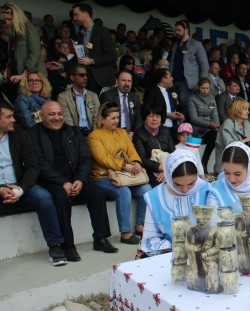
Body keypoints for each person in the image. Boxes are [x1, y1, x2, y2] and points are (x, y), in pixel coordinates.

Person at [29, 101, 117, 257]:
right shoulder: (33, 134)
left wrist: (80, 180)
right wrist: (63, 182)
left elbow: (85, 158)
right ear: (41, 116)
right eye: (51, 114)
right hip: (51, 182)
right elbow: (39, 164)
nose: (57, 118)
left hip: (76, 179)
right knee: (60, 197)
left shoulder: (73, 132)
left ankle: (100, 238)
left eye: (59, 114)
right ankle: (67, 245)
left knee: (96, 192)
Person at [0, 102, 72, 265]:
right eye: (9, 117)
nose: (13, 120)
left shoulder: (19, 134)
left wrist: (19, 189)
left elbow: (33, 167)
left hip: (19, 187)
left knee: (44, 197)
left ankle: (55, 246)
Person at [87, 102, 152, 244]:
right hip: (102, 176)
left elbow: (131, 150)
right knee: (123, 192)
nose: (116, 121)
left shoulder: (122, 132)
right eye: (112, 118)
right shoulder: (94, 136)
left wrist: (136, 162)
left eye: (117, 117)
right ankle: (126, 233)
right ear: (102, 119)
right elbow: (103, 158)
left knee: (146, 189)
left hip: (125, 175)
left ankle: (140, 225)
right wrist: (124, 166)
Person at [141, 149, 210, 256]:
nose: (185, 189)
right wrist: (177, 249)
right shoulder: (155, 197)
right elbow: (151, 238)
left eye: (191, 183)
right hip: (168, 255)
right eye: (178, 185)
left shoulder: (207, 191)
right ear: (169, 176)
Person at [207, 141, 250, 212]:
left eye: (237, 174)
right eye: (227, 173)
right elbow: (213, 221)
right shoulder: (216, 192)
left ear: (249, 169)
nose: (231, 179)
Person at [0, 3, 46, 102]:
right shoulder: (13, 31)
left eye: (9, 19)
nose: (7, 23)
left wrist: (24, 74)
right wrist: (8, 66)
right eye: (5, 20)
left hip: (31, 76)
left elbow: (35, 54)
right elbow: (12, 52)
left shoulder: (30, 29)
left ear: (17, 17)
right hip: (17, 74)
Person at [71, 3, 116, 93]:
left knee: (100, 106)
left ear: (86, 14)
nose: (74, 18)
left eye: (76, 14)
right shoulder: (80, 35)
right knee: (89, 104)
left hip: (100, 78)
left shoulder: (102, 31)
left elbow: (111, 55)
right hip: (84, 75)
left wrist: (92, 60)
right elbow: (78, 58)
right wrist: (61, 66)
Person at [213, 98, 250, 174]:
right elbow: (230, 147)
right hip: (226, 168)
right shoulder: (227, 124)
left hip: (243, 165)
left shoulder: (246, 123)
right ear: (237, 110)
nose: (248, 112)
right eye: (245, 109)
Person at [132, 105, 176, 187]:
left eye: (158, 116)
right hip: (149, 169)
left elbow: (173, 152)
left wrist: (165, 169)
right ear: (145, 118)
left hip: (168, 167)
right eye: (150, 116)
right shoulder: (139, 134)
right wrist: (159, 167)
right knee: (161, 185)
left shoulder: (166, 131)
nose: (154, 119)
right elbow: (142, 158)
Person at [169, 20, 209, 106]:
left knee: (186, 107)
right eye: (176, 30)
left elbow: (204, 65)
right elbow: (172, 62)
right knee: (175, 106)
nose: (176, 32)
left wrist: (202, 83)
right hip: (174, 81)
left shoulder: (196, 44)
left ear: (186, 30)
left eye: (179, 30)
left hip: (188, 83)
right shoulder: (175, 45)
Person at [187, 77, 220, 174]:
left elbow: (215, 114)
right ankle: (204, 161)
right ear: (198, 88)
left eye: (207, 88)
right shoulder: (192, 99)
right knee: (213, 135)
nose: (205, 90)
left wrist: (217, 125)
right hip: (198, 129)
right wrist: (209, 124)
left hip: (211, 128)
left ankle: (208, 162)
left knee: (217, 134)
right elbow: (193, 118)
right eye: (203, 88)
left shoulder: (212, 98)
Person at [143, 68, 185, 140]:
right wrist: (168, 114)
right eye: (170, 76)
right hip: (160, 128)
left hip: (175, 128)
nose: (172, 78)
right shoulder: (151, 91)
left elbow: (181, 106)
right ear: (164, 79)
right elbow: (148, 109)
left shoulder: (173, 90)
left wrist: (182, 114)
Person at [57, 65, 100, 136]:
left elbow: (96, 118)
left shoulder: (93, 96)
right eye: (81, 75)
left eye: (86, 75)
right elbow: (68, 121)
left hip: (92, 134)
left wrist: (93, 135)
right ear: (72, 77)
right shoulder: (63, 97)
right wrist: (77, 137)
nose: (85, 78)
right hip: (74, 135)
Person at [100, 70, 143, 136]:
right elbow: (107, 119)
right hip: (113, 133)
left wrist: (134, 133)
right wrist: (121, 135)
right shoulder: (107, 96)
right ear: (117, 82)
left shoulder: (135, 97)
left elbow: (139, 118)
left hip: (131, 133)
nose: (127, 83)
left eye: (129, 81)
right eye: (123, 80)